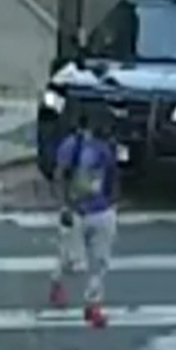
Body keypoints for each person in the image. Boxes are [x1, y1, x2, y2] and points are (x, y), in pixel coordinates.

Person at [50, 104, 120, 328]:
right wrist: (65, 207)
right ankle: (58, 281)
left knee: (100, 262)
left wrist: (112, 204)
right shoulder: (74, 145)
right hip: (77, 211)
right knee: (73, 261)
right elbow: (59, 176)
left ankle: (93, 305)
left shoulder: (108, 147)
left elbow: (113, 176)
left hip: (102, 210)